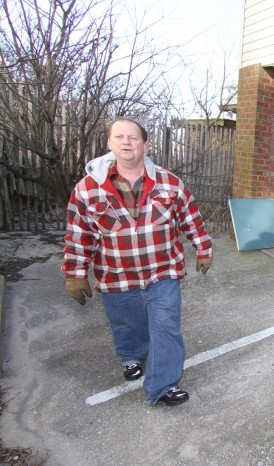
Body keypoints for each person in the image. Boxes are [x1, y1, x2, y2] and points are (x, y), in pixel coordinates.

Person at [62, 116, 213, 406]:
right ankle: (131, 356)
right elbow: (78, 235)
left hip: (162, 273)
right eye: (119, 137)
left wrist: (203, 248)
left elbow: (191, 219)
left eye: (133, 137)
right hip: (117, 276)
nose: (126, 142)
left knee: (165, 326)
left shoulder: (169, 183)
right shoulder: (87, 189)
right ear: (109, 143)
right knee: (127, 326)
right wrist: (74, 273)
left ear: (145, 145)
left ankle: (163, 385)